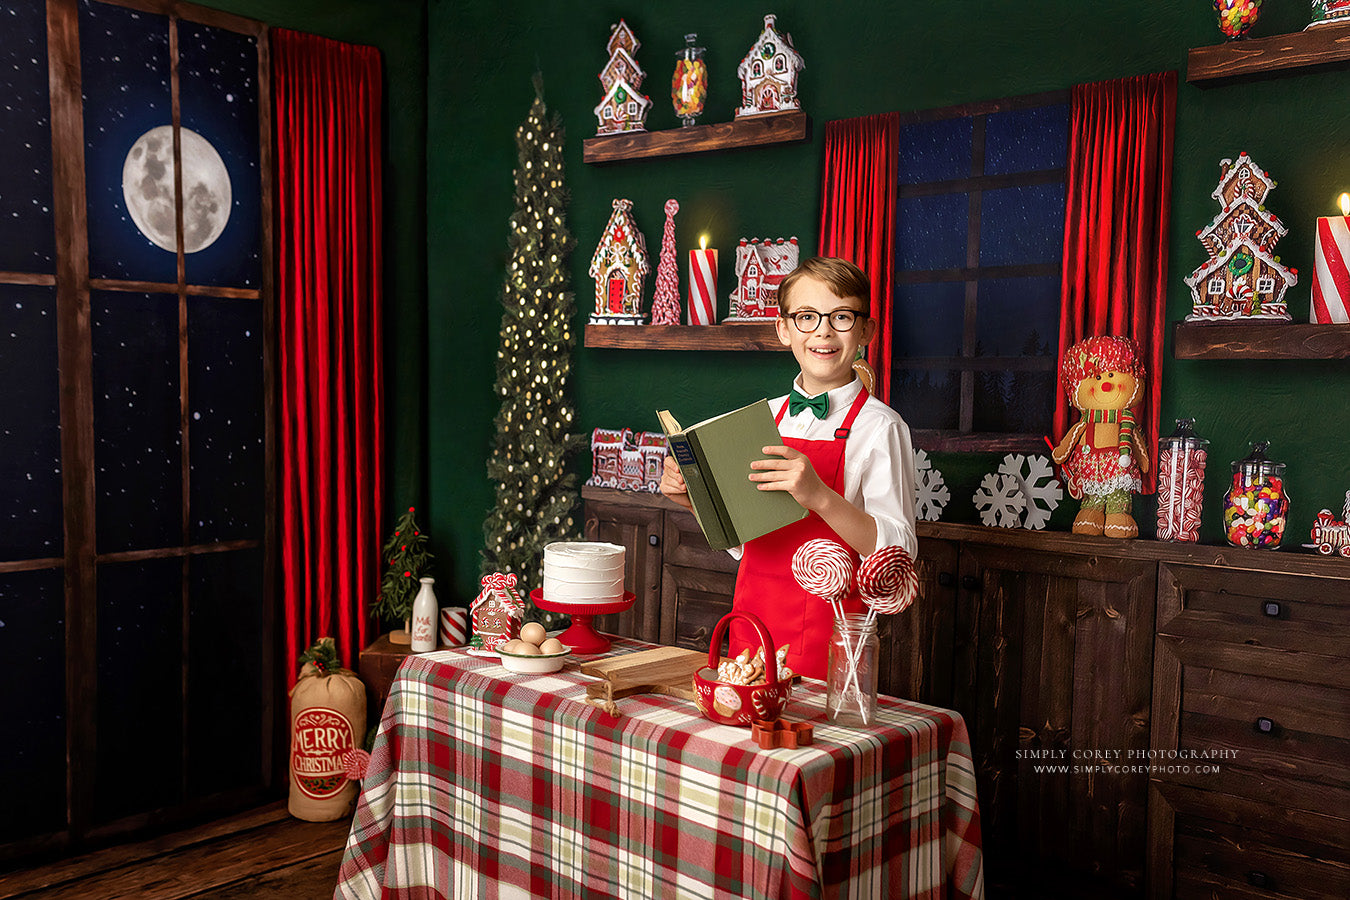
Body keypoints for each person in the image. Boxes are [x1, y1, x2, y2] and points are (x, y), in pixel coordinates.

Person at [660, 257, 918, 680]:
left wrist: (819, 496)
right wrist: (693, 501)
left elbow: (899, 552)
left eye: (841, 316)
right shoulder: (763, 419)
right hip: (749, 627)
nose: (823, 331)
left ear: (866, 331)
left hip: (827, 640)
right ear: (783, 329)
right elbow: (747, 542)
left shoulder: (881, 427)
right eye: (806, 316)